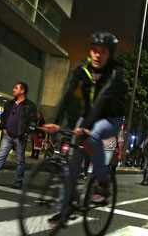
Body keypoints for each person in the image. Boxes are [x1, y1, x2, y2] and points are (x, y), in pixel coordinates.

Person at [41, 32, 126, 205]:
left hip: (111, 119)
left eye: (103, 51)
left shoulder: (115, 72)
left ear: (110, 54)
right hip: (88, 115)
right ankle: (65, 207)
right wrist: (55, 122)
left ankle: (102, 182)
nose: (97, 55)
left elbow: (102, 98)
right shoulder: (82, 69)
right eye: (94, 50)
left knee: (94, 136)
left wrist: (85, 127)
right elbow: (67, 94)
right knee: (74, 155)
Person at [0, 82, 37, 188]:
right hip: (7, 136)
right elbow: (3, 116)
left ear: (22, 91)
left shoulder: (30, 106)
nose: (13, 90)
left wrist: (26, 133)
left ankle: (18, 182)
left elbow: (33, 122)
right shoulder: (9, 103)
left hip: (20, 137)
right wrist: (3, 127)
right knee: (0, 157)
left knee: (20, 161)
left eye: (16, 88)